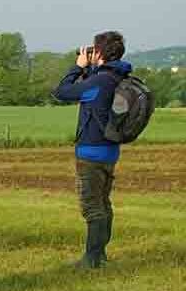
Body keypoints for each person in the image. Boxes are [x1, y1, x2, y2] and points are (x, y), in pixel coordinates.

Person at [52, 31, 132, 269]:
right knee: (104, 203)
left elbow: (62, 92)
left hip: (91, 152)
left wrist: (77, 68)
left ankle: (91, 259)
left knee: (92, 206)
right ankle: (101, 255)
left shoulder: (100, 82)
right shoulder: (118, 77)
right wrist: (90, 71)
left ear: (98, 53)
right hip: (110, 150)